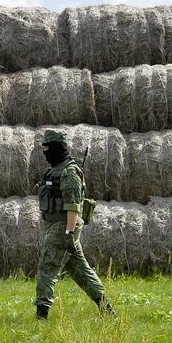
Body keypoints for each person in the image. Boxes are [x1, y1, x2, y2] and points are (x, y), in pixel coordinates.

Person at [34, 129, 115, 320]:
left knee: (47, 268)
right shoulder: (53, 170)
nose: (44, 151)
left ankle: (41, 315)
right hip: (60, 227)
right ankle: (107, 310)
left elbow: (73, 206)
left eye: (47, 147)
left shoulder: (70, 172)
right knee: (81, 271)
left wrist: (69, 232)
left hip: (63, 226)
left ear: (56, 147)